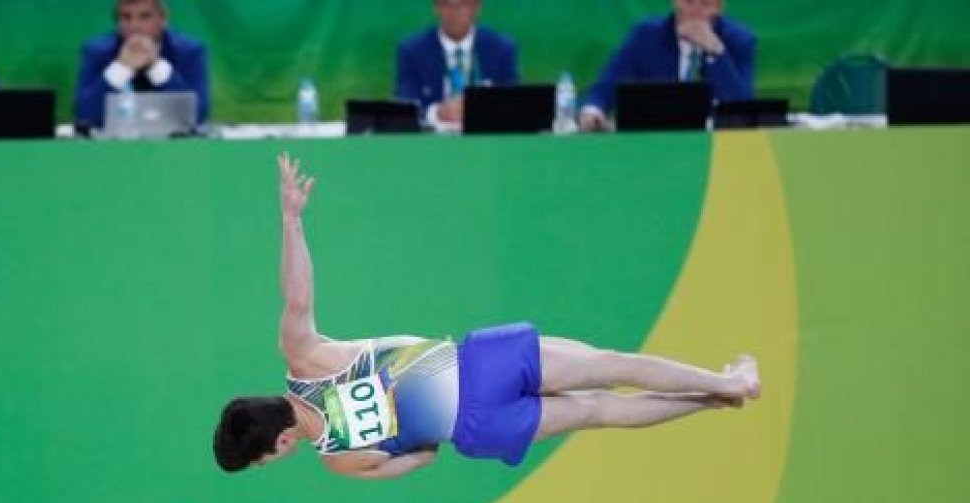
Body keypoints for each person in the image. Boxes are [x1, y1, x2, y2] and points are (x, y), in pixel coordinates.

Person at [212, 154, 761, 480]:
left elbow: (421, 460)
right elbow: (298, 296)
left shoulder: (338, 460)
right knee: (613, 365)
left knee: (600, 412)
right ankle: (726, 380)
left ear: (279, 444)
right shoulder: (305, 360)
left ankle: (714, 402)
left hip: (473, 427)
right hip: (476, 366)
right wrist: (290, 220)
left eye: (264, 462)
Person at [578, 0, 756, 133]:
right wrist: (593, 111)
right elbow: (604, 88)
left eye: (705, 3)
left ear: (719, 7)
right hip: (652, 143)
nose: (695, 11)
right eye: (688, 2)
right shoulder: (645, 36)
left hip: (715, 147)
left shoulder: (739, 40)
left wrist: (716, 51)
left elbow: (741, 112)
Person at [73, 0, 209, 132]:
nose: (135, 26)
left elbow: (197, 115)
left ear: (163, 20)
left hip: (171, 148)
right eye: (126, 18)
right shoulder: (97, 52)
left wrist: (156, 66)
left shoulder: (189, 52)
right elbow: (85, 116)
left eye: (145, 17)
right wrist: (122, 68)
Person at [395, 0, 519, 130]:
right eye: (447, 5)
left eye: (463, 4)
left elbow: (512, 102)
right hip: (433, 140)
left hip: (486, 137)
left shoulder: (501, 48)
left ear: (477, 8)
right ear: (436, 8)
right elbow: (405, 104)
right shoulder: (413, 50)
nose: (455, 13)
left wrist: (481, 109)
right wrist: (437, 112)